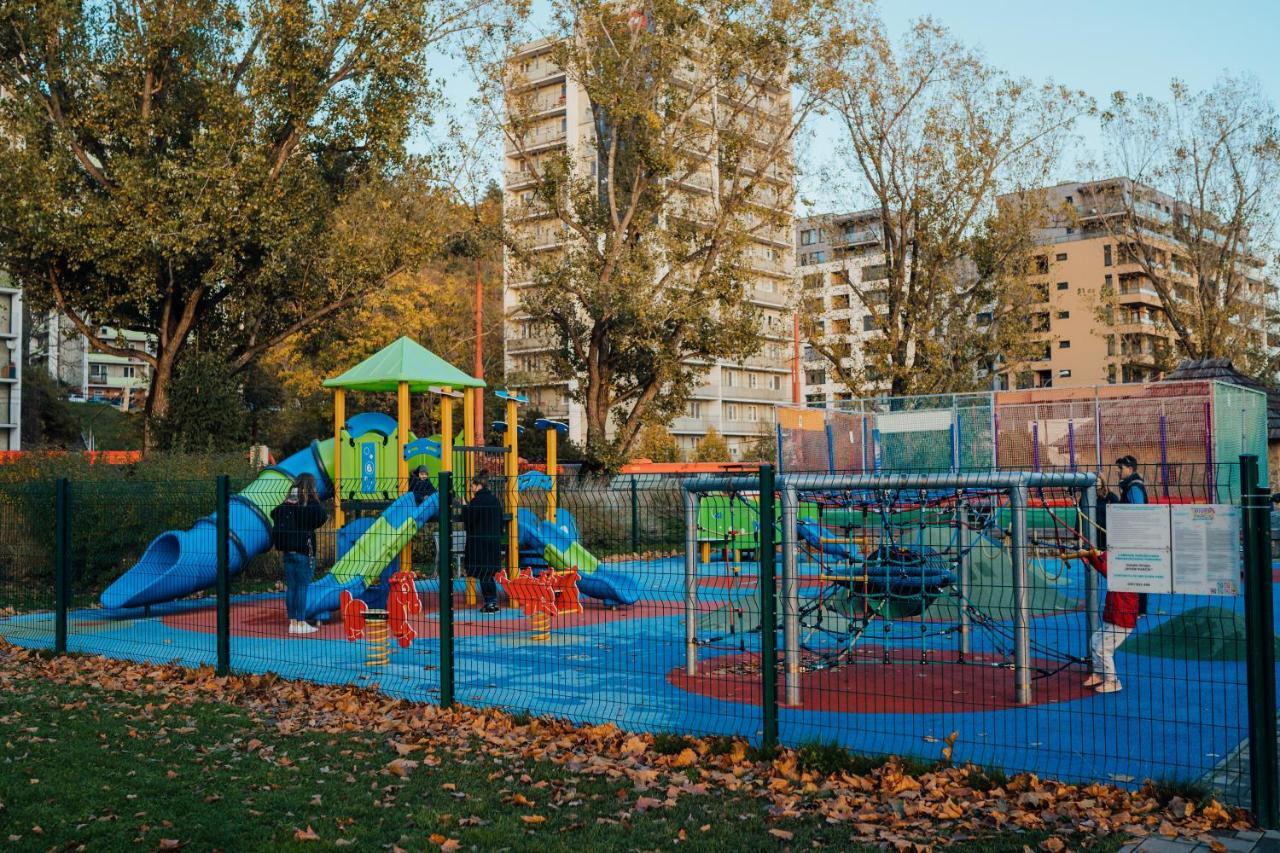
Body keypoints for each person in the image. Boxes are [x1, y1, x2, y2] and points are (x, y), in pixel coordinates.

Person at [1083, 456, 1147, 694]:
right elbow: (1107, 563)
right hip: (1113, 614)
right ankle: (1099, 673)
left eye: (1121, 468)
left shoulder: (1133, 489)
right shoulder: (1117, 551)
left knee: (1103, 648)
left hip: (1122, 618)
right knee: (1095, 642)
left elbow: (1108, 568)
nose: (1118, 471)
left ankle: (1113, 680)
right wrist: (1094, 553)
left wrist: (1093, 557)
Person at [270, 473, 328, 634]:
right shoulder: (309, 504)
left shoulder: (288, 502)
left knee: (292, 587)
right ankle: (301, 623)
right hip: (304, 550)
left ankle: (293, 622)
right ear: (310, 486)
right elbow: (322, 517)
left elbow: (274, 513)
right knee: (302, 587)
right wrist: (313, 498)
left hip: (288, 551)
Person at [461, 471, 504, 613]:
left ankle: (490, 602)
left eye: (472, 485)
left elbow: (469, 520)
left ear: (478, 485)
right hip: (493, 541)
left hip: (480, 543)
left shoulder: (476, 502)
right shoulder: (495, 500)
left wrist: (464, 507)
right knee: (489, 573)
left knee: (483, 572)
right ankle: (491, 601)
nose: (471, 488)